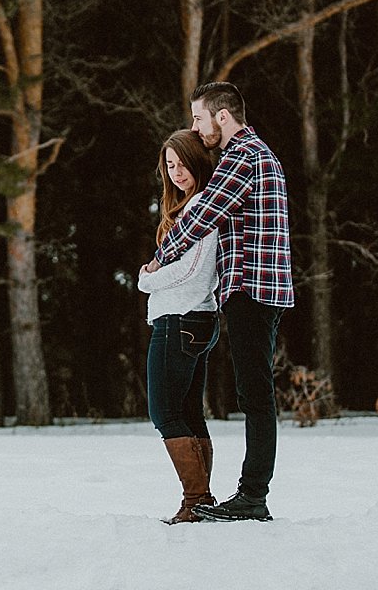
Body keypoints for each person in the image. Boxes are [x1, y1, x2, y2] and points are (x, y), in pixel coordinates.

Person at [142, 81, 294, 523]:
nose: (195, 127)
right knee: (253, 394)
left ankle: (253, 496)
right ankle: (247, 494)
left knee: (256, 397)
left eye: (198, 119)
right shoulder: (256, 155)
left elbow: (204, 218)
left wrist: (156, 263)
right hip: (260, 290)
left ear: (222, 117)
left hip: (253, 290)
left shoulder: (242, 155)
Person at [137, 129, 221, 524]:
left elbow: (194, 271)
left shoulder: (202, 207)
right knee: (188, 413)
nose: (176, 172)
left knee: (164, 413)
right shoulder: (188, 207)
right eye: (169, 165)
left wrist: (147, 278)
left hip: (181, 319)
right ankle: (201, 499)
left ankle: (196, 498)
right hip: (193, 319)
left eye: (182, 163)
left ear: (198, 161)